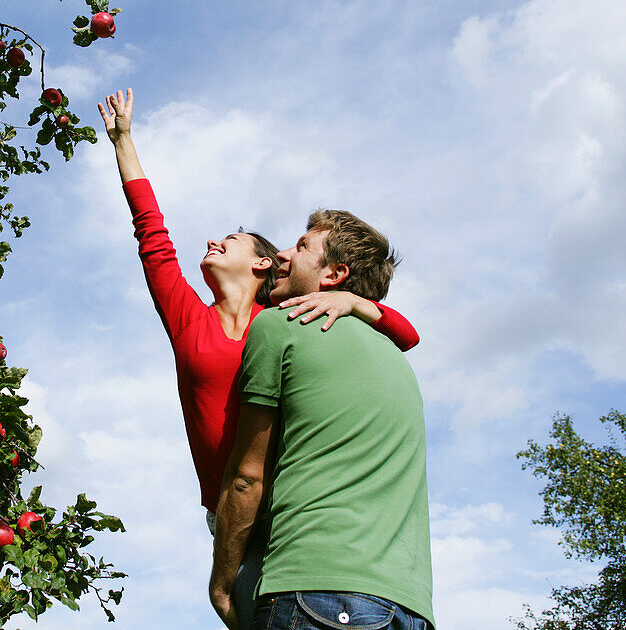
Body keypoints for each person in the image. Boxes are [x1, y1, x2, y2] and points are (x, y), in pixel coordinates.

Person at [97, 89, 422, 629]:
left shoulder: (285, 319)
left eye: (231, 238)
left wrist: (354, 301)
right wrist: (125, 141)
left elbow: (407, 337)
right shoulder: (189, 320)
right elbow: (151, 233)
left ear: (263, 263)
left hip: (293, 507)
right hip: (233, 514)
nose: (214, 241)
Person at [209, 211, 434, 630]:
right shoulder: (394, 354)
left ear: (335, 273)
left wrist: (222, 583)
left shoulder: (280, 325)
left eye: (302, 246)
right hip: (410, 606)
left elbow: (247, 477)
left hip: (313, 591)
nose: (282, 254)